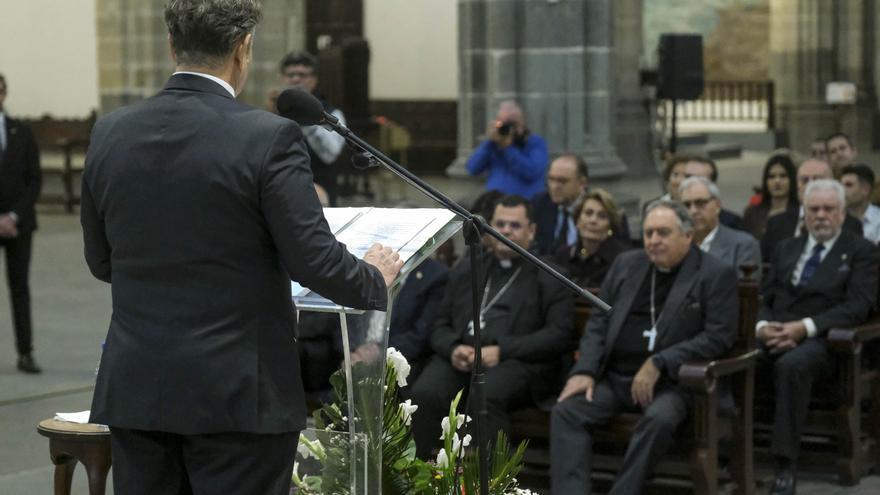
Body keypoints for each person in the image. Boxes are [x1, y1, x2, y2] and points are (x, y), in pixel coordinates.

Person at [79, 2, 403, 494]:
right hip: (236, 395)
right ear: (242, 48)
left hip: (139, 387)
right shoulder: (267, 137)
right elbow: (313, 259)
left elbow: (101, 260)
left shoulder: (110, 131)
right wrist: (373, 277)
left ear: (172, 46)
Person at [550, 200, 738, 494]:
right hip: (616, 379)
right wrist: (585, 370)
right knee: (568, 411)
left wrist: (660, 362)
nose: (653, 241)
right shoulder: (627, 265)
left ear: (688, 236)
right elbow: (599, 321)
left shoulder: (714, 274)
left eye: (663, 233)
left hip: (675, 385)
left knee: (658, 420)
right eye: (649, 233)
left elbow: (718, 336)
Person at [410, 195, 575, 458]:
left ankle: (490, 479)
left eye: (515, 225)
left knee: (484, 394)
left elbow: (558, 335)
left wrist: (501, 351)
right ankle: (417, 474)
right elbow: (439, 324)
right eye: (500, 224)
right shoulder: (468, 270)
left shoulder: (550, 276)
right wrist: (453, 349)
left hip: (518, 362)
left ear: (531, 230)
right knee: (425, 393)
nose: (506, 231)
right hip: (463, 357)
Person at [756, 179, 878, 495]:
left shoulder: (860, 251)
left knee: (792, 365)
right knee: (734, 358)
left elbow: (858, 306)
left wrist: (805, 328)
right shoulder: (786, 248)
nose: (821, 215)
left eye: (829, 209)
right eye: (814, 209)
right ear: (804, 213)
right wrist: (763, 326)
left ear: (842, 213)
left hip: (825, 340)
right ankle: (732, 448)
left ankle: (785, 464)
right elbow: (763, 298)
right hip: (776, 332)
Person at [0, 73, 42, 374]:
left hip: (19, 224)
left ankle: (25, 352)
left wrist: (12, 216)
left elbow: (34, 179)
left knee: (19, 288)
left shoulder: (21, 132)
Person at [276, 50, 346, 205]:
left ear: (313, 79)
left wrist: (305, 120)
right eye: (290, 75)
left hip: (322, 198)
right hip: (282, 195)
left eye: (302, 75)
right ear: (282, 78)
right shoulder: (273, 114)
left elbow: (330, 154)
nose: (295, 79)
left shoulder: (333, 113)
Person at [761, 158, 863, 258]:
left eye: (817, 179)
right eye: (804, 180)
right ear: (797, 185)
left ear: (832, 184)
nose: (810, 185)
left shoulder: (850, 225)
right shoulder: (776, 224)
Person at [534, 153, 630, 255]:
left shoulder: (604, 208)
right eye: (551, 179)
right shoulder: (539, 203)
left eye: (562, 181)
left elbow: (623, 255)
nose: (554, 186)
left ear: (582, 183)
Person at [680, 177, 761, 277]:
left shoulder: (743, 244)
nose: (693, 211)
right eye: (687, 205)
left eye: (700, 203)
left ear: (717, 206)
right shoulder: (678, 244)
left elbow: (744, 289)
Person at [466, 101, 549, 198]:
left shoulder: (535, 142)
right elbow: (472, 168)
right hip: (494, 203)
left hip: (524, 204)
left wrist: (508, 148)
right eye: (503, 123)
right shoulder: (492, 145)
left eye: (512, 123)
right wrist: (489, 142)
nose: (508, 128)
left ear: (522, 121)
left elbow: (531, 172)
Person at [551, 188, 631, 288]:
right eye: (588, 213)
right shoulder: (563, 255)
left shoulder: (622, 259)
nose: (593, 220)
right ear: (577, 220)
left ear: (610, 225)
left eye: (602, 216)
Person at [742, 154, 798, 240]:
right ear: (766, 181)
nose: (777, 181)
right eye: (771, 177)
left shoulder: (800, 212)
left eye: (783, 176)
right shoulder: (752, 212)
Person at [682, 155, 743, 230]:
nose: (691, 183)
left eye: (700, 180)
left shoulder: (731, 223)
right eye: (688, 177)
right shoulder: (669, 216)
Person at [840, 163, 880, 244]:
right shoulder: (835, 217)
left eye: (848, 185)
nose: (841, 190)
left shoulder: (878, 220)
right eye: (841, 185)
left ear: (865, 189)